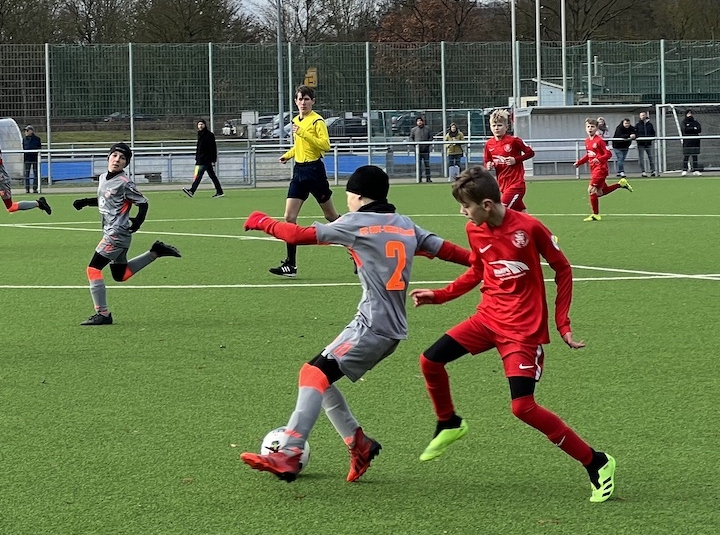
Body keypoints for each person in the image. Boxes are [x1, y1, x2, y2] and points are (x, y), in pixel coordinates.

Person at [238, 166, 472, 483]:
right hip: (383, 325)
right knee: (318, 376)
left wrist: (261, 220)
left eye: (348, 195)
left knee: (313, 375)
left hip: (373, 326)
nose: (346, 201)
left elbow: (295, 235)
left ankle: (289, 451)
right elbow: (448, 251)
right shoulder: (404, 224)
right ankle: (358, 443)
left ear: (359, 196)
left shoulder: (355, 223)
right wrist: (484, 259)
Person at [411, 166, 617, 504]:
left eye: (466, 206)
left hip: (522, 331)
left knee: (523, 407)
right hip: (487, 319)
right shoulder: (474, 229)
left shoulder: (529, 228)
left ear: (486, 204)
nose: (462, 212)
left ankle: (596, 462)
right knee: (430, 360)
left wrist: (562, 323)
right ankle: (448, 422)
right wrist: (441, 295)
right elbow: (479, 270)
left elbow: (563, 269)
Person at [72, 141, 181, 326]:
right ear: (108, 157)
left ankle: (103, 314)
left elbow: (143, 202)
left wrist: (138, 221)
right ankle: (156, 252)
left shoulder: (125, 183)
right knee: (120, 275)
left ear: (126, 163)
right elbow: (105, 199)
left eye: (122, 158)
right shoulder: (103, 178)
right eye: (114, 155)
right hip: (114, 233)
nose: (117, 160)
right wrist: (85, 202)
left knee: (93, 269)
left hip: (116, 234)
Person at [269, 85, 339, 278]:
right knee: (289, 217)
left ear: (313, 101)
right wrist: (288, 155)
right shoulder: (295, 121)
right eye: (300, 99)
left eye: (307, 99)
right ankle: (290, 264)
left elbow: (325, 145)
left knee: (331, 216)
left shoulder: (317, 121)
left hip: (314, 171)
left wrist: (304, 133)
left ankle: (358, 250)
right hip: (299, 172)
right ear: (295, 101)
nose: (303, 102)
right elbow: (300, 146)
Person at [574, 117, 632, 221]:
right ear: (585, 128)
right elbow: (589, 155)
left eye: (592, 126)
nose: (590, 128)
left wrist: (599, 159)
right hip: (594, 169)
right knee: (600, 192)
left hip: (600, 169)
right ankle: (620, 184)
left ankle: (595, 215)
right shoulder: (587, 141)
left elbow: (608, 154)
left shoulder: (599, 141)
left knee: (591, 190)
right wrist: (579, 162)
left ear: (596, 128)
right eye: (588, 126)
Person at [482, 109, 534, 211]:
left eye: (500, 125)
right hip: (503, 186)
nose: (496, 128)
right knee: (521, 214)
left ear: (506, 127)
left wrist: (516, 159)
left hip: (516, 185)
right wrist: (488, 165)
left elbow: (530, 152)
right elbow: (487, 160)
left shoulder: (514, 141)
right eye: (494, 125)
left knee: (500, 211)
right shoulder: (489, 144)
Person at [182, 119, 223, 198]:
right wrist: (197, 158)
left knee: (199, 175)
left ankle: (192, 191)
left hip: (206, 159)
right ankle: (220, 191)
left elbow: (213, 148)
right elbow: (199, 148)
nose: (200, 126)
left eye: (202, 124)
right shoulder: (200, 134)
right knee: (212, 176)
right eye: (199, 124)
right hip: (201, 159)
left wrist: (213, 160)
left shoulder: (209, 135)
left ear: (205, 125)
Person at [410, 115, 434, 183]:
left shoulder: (427, 129)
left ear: (423, 122)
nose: (419, 122)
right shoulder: (414, 130)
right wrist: (415, 145)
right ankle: (419, 178)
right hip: (418, 150)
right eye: (418, 121)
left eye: (420, 121)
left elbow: (431, 137)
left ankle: (428, 178)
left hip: (426, 149)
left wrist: (427, 144)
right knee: (418, 165)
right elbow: (411, 138)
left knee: (427, 164)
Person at [634, 110, 657, 176]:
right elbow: (635, 133)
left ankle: (653, 171)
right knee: (641, 158)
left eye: (644, 115)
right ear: (639, 116)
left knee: (651, 157)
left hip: (648, 144)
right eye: (642, 115)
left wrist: (650, 138)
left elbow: (653, 132)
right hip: (641, 144)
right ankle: (643, 171)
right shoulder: (637, 125)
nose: (643, 116)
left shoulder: (650, 124)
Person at [21, 125, 42, 194]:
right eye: (25, 131)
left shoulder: (37, 139)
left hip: (35, 158)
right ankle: (27, 188)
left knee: (36, 173)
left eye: (27, 131)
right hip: (27, 158)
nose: (26, 132)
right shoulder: (24, 139)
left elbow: (39, 147)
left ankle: (35, 188)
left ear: (31, 131)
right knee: (26, 174)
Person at [681, 109, 702, 174]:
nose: (690, 115)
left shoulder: (695, 122)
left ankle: (695, 170)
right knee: (686, 156)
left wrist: (692, 128)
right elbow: (685, 130)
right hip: (687, 142)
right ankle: (684, 170)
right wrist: (693, 128)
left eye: (691, 113)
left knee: (695, 156)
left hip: (695, 142)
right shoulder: (684, 122)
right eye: (688, 113)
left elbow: (699, 129)